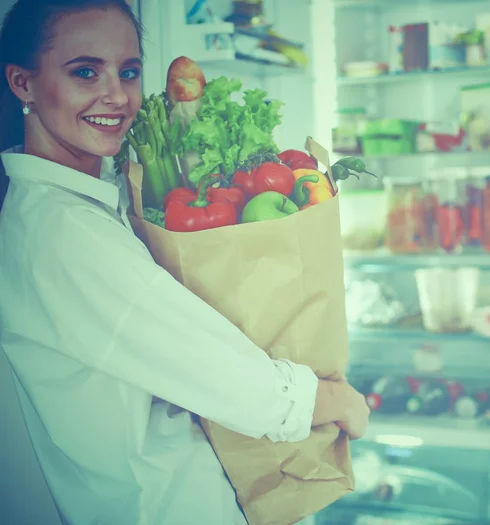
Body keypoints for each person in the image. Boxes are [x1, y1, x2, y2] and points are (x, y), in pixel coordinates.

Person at [0, 1, 370, 524]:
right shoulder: (63, 232)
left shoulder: (87, 202)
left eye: (128, 71)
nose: (116, 95)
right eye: (86, 71)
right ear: (23, 83)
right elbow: (236, 385)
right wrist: (340, 401)